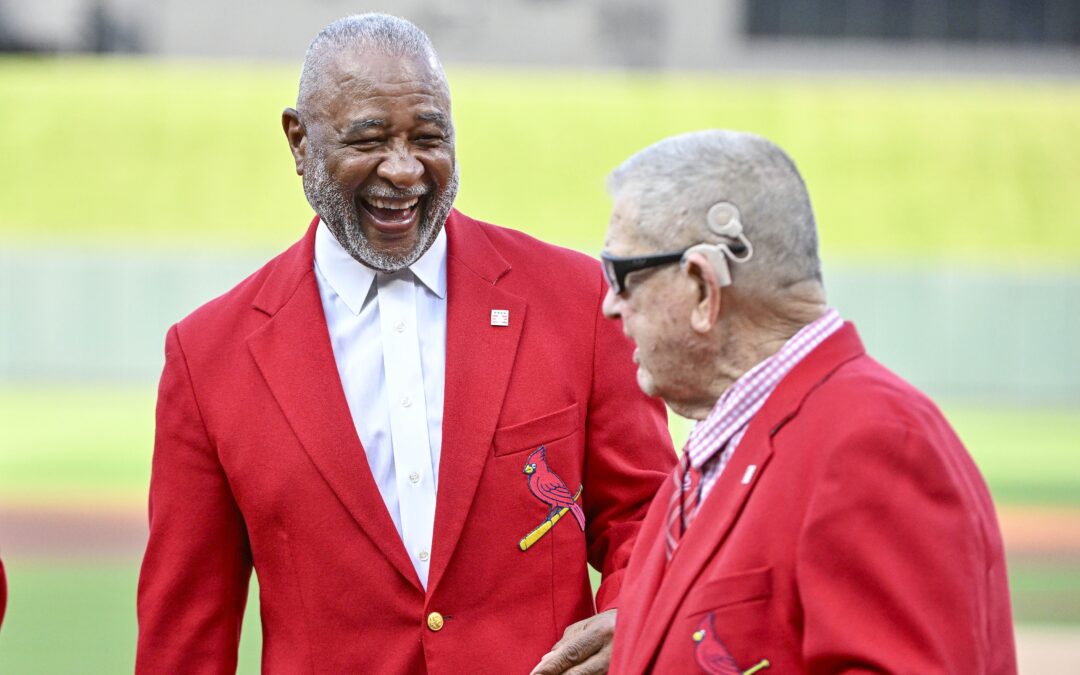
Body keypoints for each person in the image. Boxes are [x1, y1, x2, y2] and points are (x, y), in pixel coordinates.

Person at [135, 14, 675, 674]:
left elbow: (648, 511)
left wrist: (631, 611)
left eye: (428, 137)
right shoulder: (207, 355)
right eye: (369, 139)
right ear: (299, 142)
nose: (404, 168)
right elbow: (185, 634)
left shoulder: (573, 300)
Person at [600, 130, 1017, 674]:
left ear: (703, 286)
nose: (610, 305)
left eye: (622, 275)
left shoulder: (875, 442)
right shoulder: (722, 449)